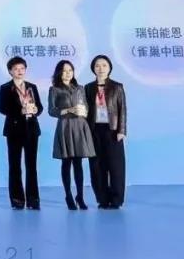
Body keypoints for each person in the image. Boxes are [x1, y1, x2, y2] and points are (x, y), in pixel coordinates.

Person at [0, 57, 44, 210]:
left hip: (31, 129)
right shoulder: (5, 88)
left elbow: (40, 107)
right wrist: (20, 111)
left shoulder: (32, 86)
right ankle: (17, 200)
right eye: (16, 69)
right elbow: (3, 108)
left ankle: (33, 200)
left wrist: (36, 110)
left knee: (32, 166)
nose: (20, 71)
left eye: (22, 68)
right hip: (14, 130)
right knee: (15, 166)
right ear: (10, 71)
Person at [48, 60, 95, 211]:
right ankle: (68, 195)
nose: (68, 73)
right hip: (65, 126)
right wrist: (69, 110)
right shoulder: (54, 89)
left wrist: (84, 111)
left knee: (78, 163)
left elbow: (86, 107)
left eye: (70, 70)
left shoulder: (80, 88)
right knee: (66, 162)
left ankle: (80, 196)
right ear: (59, 73)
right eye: (64, 70)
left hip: (80, 126)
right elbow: (51, 110)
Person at [86, 54, 127, 209]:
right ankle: (102, 199)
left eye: (104, 65)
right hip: (94, 130)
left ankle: (116, 199)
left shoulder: (117, 87)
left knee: (116, 166)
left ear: (109, 68)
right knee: (97, 166)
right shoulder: (88, 88)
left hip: (113, 130)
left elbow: (123, 110)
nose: (101, 68)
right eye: (97, 65)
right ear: (93, 69)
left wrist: (122, 130)